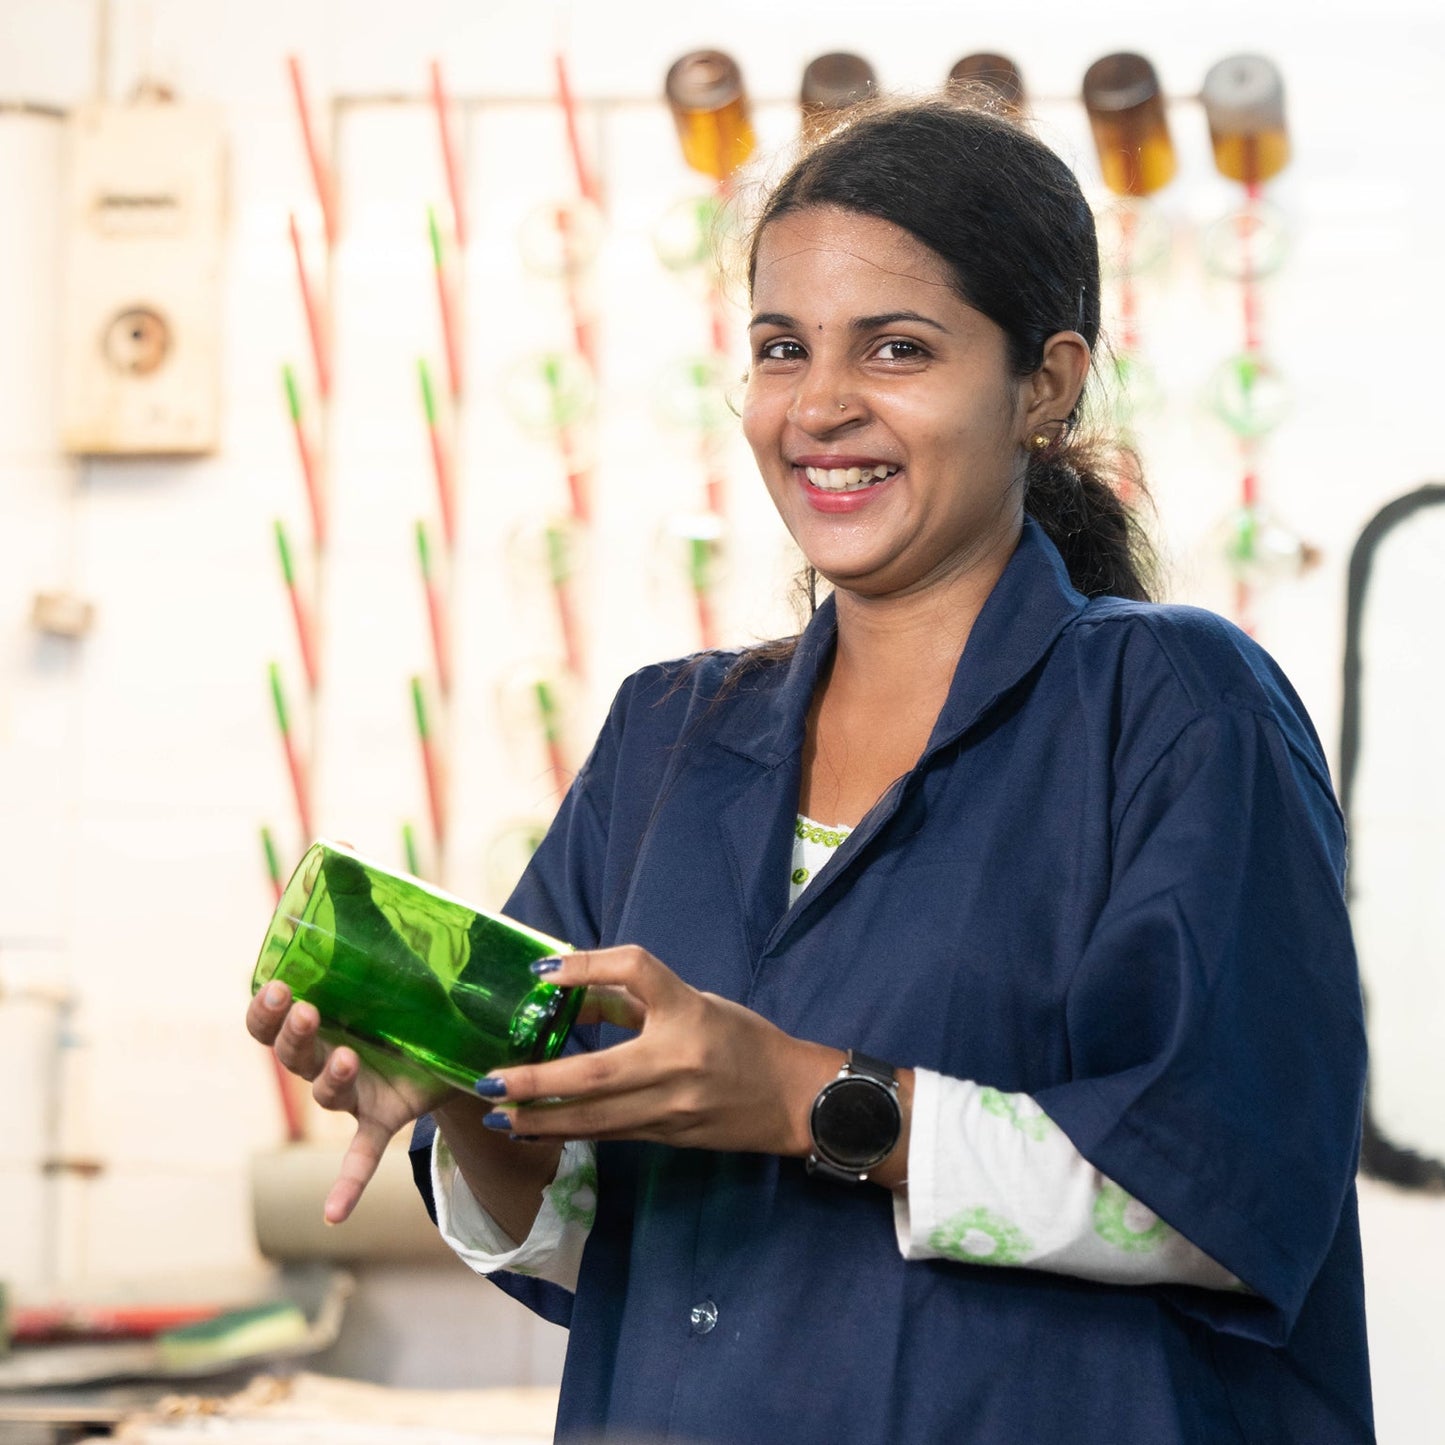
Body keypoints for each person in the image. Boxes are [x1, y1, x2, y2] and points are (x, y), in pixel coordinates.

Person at [248, 98, 1374, 1443]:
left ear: (1043, 380)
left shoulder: (1175, 702)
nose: (820, 407)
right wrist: (478, 1105)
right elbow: (589, 1243)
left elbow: (1229, 1186)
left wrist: (807, 1098)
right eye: (780, 349)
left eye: (896, 348)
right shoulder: (665, 737)